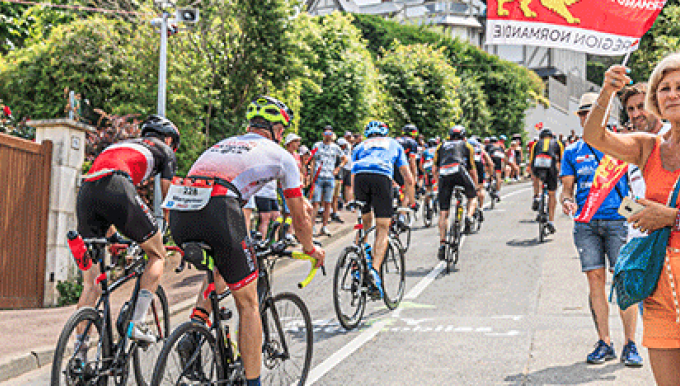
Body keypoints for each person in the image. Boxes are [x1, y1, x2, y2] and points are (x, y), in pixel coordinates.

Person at [169, 96, 325, 386]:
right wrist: (310, 248)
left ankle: (195, 329)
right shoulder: (283, 156)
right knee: (248, 304)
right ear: (278, 130)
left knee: (223, 268)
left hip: (180, 213)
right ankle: (253, 382)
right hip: (217, 210)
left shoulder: (225, 143)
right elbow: (300, 216)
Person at [583, 57, 680, 383]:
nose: (672, 94)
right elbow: (595, 136)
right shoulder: (649, 147)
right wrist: (607, 91)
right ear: (656, 98)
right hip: (658, 288)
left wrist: (671, 217)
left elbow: (667, 217)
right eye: (664, 88)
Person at [76, 115, 179, 343]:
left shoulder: (120, 145)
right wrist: (174, 232)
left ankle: (79, 356)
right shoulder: (165, 150)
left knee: (91, 284)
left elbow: (104, 192)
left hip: (87, 191)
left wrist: (113, 238)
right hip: (117, 186)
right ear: (169, 139)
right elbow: (168, 199)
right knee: (157, 254)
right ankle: (137, 322)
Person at [560, 92, 641, 368]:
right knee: (594, 279)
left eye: (592, 113)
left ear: (605, 116)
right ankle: (604, 341)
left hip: (619, 221)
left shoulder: (621, 145)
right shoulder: (571, 152)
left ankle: (631, 344)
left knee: (624, 282)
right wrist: (567, 202)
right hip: (586, 224)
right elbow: (567, 190)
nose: (587, 118)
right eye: (583, 114)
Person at [352, 120, 415, 298]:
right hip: (381, 177)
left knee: (364, 224)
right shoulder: (393, 144)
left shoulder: (359, 146)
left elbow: (352, 174)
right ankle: (374, 271)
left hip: (360, 179)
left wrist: (351, 199)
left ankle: (357, 262)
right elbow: (408, 178)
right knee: (382, 228)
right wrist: (411, 201)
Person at [434, 125, 478, 260]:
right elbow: (471, 168)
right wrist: (474, 186)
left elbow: (434, 168)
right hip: (459, 171)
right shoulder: (467, 146)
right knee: (472, 197)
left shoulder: (441, 146)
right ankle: (469, 217)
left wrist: (438, 183)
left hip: (444, 174)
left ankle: (442, 243)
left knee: (444, 212)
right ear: (464, 136)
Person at [310, 126, 346, 236]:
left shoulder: (335, 148)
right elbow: (312, 161)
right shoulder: (317, 145)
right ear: (323, 134)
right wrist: (311, 177)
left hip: (330, 177)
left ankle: (324, 226)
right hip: (319, 177)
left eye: (330, 134)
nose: (328, 136)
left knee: (328, 203)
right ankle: (312, 227)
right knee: (315, 203)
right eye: (326, 134)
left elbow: (344, 159)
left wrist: (338, 168)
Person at [529, 128, 564, 234]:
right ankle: (551, 221)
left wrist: (532, 175)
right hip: (551, 164)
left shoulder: (536, 144)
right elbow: (562, 160)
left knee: (537, 178)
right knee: (552, 194)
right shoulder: (558, 143)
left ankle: (537, 196)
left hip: (538, 162)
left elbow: (531, 161)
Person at [468, 136, 493, 214]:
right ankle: (481, 207)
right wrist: (491, 175)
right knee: (480, 188)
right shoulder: (480, 148)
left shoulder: (465, 148)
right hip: (479, 167)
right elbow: (490, 162)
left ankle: (468, 208)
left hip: (468, 167)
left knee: (469, 189)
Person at [395, 124, 420, 193]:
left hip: (391, 166)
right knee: (407, 189)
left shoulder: (395, 140)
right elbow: (412, 162)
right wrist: (414, 176)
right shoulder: (412, 142)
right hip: (403, 166)